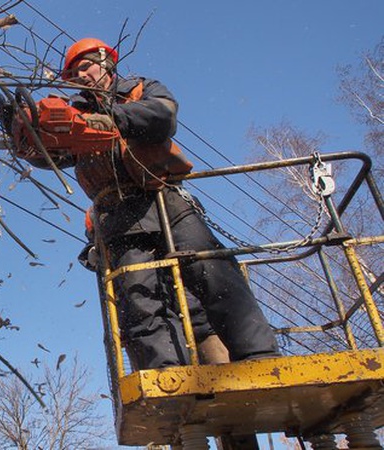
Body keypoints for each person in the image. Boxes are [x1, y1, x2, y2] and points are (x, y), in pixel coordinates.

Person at [16, 38, 280, 369]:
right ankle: (168, 375)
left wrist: (109, 117)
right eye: (72, 74)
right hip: (118, 213)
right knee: (139, 296)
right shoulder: (75, 116)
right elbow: (54, 156)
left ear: (106, 61)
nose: (80, 76)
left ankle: (258, 355)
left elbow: (163, 117)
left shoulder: (140, 89)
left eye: (85, 67)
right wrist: (31, 139)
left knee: (211, 269)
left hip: (164, 199)